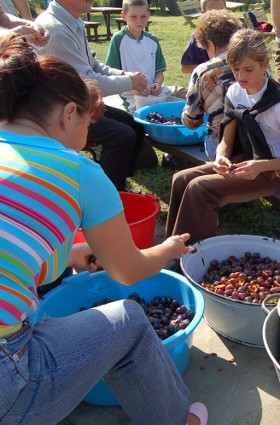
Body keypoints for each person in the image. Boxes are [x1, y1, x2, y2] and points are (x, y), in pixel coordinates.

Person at [0, 38, 207, 425]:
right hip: (7, 382)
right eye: (87, 125)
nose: (87, 139)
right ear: (68, 114)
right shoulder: (77, 170)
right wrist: (169, 249)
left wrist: (73, 252)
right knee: (129, 320)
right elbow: (127, 272)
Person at [165, 29, 280, 243]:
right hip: (246, 161)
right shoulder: (234, 92)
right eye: (236, 69)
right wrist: (220, 157)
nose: (241, 76)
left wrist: (259, 166)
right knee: (181, 179)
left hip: (274, 171)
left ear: (265, 65)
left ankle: (192, 254)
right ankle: (172, 246)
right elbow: (227, 140)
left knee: (199, 189)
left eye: (248, 70)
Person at [35, 0, 157, 191]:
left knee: (132, 124)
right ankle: (105, 193)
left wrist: (127, 76)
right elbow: (86, 83)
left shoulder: (71, 21)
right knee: (121, 135)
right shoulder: (55, 30)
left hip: (78, 103)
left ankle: (118, 182)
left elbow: (93, 66)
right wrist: (130, 82)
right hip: (59, 113)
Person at [182, 9, 240, 161]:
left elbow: (192, 121)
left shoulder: (203, 71)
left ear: (210, 44)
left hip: (221, 145)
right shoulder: (259, 63)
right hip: (260, 140)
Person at [105, 0, 167, 112]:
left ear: (148, 15)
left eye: (143, 16)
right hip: (131, 98)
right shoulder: (118, 39)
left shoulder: (153, 40)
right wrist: (133, 89)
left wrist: (157, 83)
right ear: (124, 16)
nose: (139, 21)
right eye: (133, 16)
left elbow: (160, 72)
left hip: (155, 94)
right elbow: (112, 73)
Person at [180, 0, 226, 75]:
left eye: (221, 10)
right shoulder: (198, 37)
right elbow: (185, 67)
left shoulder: (235, 34)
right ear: (203, 13)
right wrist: (208, 68)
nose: (218, 15)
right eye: (212, 12)